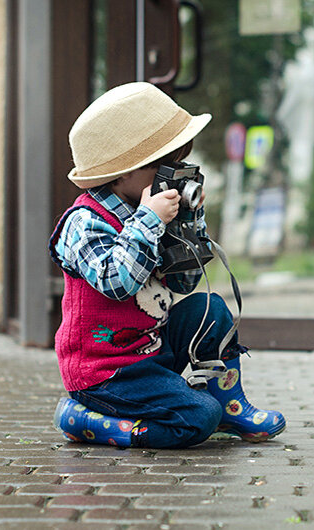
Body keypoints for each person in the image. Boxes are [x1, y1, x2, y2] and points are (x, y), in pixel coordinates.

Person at [49, 82, 285, 448]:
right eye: (166, 165)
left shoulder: (152, 213)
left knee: (211, 308)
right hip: (106, 372)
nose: (173, 175)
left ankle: (229, 403)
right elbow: (117, 283)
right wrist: (148, 221)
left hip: (150, 350)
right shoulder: (84, 222)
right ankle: (88, 420)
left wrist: (190, 222)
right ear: (124, 171)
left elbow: (185, 284)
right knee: (197, 417)